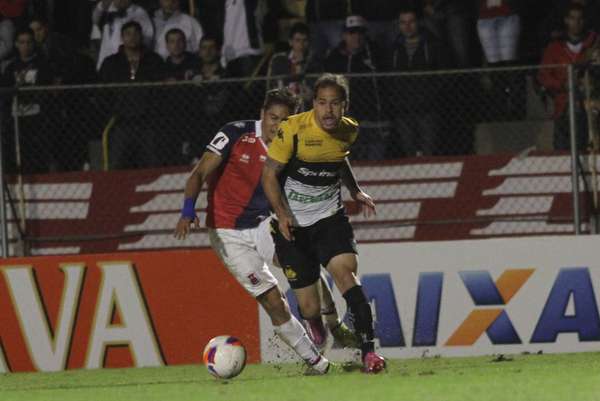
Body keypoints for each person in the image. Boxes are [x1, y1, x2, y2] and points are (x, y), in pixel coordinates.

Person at [173, 88, 351, 375]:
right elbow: (200, 172)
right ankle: (319, 364)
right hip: (228, 233)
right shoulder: (235, 134)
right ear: (262, 115)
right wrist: (187, 209)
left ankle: (329, 322)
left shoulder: (295, 144)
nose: (276, 125)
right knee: (273, 301)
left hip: (263, 223)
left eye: (284, 120)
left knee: (304, 262)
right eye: (272, 118)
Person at [261, 73, 386, 374]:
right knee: (309, 307)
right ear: (313, 104)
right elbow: (269, 175)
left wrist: (355, 190)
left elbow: (338, 158)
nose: (328, 110)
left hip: (330, 219)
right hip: (293, 226)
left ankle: (369, 352)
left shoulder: (349, 130)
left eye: (334, 103)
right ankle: (316, 324)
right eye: (321, 103)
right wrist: (282, 213)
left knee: (346, 275)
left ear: (344, 105)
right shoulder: (293, 129)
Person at [538, 3, 596, 150]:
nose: (576, 22)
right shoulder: (554, 48)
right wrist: (563, 85)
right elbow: (544, 75)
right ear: (566, 20)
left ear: (584, 21)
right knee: (562, 150)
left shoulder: (593, 45)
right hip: (563, 105)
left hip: (590, 108)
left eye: (580, 19)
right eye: (572, 18)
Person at [266, 22, 322, 110]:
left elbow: (315, 88)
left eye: (304, 40)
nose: (301, 44)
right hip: (283, 103)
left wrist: (301, 66)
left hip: (306, 105)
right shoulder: (279, 59)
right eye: (298, 40)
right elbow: (271, 84)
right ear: (290, 42)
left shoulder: (314, 61)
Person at [91, 0, 154, 70]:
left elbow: (147, 41)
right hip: (104, 61)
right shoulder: (109, 9)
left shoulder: (140, 13)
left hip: (125, 65)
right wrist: (103, 4)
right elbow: (95, 20)